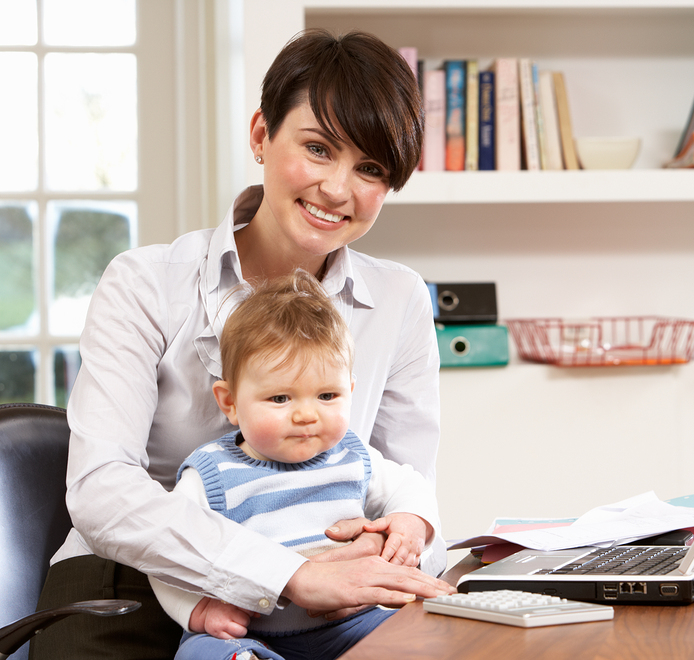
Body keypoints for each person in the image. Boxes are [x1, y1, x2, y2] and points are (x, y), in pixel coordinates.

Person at [31, 28, 450, 660]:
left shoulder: (399, 300)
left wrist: (400, 538)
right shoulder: (145, 283)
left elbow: (407, 482)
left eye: (369, 168)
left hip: (324, 592)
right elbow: (101, 489)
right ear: (261, 135)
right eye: (317, 149)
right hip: (135, 575)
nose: (338, 190)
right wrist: (282, 572)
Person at [150, 269, 440, 660]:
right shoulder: (211, 475)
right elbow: (167, 553)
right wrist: (199, 610)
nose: (306, 414)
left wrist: (409, 522)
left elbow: (411, 487)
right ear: (229, 402)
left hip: (351, 623)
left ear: (349, 391)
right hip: (253, 633)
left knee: (425, 628)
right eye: (281, 399)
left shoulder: (353, 455)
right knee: (202, 652)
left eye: (326, 395)